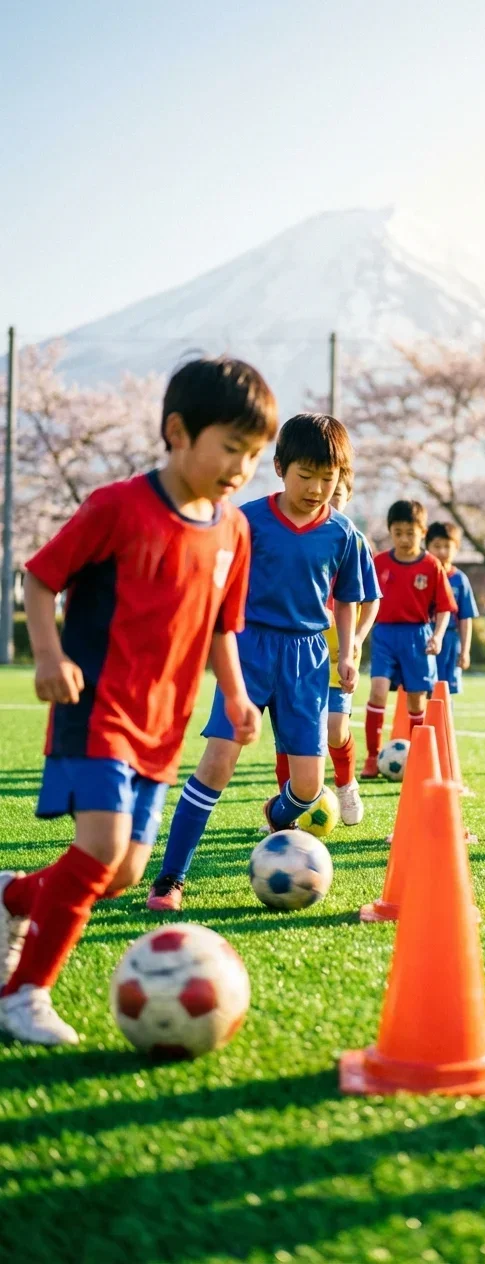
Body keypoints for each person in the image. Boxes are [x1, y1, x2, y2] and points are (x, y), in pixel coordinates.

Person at [0, 357, 277, 1045]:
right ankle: (23, 994)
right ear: (177, 433)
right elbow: (39, 578)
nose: (242, 468)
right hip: (98, 708)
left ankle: (12, 897)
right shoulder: (116, 507)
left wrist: (238, 697)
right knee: (101, 849)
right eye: (232, 449)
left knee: (118, 873)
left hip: (164, 725)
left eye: (255, 456)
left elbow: (223, 627)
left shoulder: (233, 532)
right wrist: (47, 655)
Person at [146, 412, 365, 911]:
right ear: (280, 468)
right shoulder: (247, 521)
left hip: (309, 658)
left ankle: (277, 812)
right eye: (305, 476)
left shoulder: (344, 534)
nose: (315, 489)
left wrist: (347, 649)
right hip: (250, 650)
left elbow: (349, 598)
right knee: (218, 762)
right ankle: (170, 878)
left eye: (327, 479)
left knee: (308, 788)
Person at [273, 471, 380, 825]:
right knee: (289, 736)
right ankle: (285, 809)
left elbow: (371, 599)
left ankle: (346, 784)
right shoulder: (294, 536)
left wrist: (357, 639)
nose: (325, 500)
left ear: (345, 497)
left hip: (338, 656)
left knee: (335, 728)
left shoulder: (351, 539)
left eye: (336, 496)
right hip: (298, 654)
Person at [362, 500, 455, 778]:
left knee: (416, 703)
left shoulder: (431, 566)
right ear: (390, 531)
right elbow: (363, 600)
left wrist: (437, 636)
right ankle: (370, 757)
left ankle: (418, 758)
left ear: (422, 532)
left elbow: (444, 608)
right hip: (385, 635)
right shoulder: (378, 564)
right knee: (377, 691)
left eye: (410, 533)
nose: (404, 539)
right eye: (398, 532)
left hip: (418, 637)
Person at [425, 521, 478, 695]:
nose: (441, 551)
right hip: (423, 636)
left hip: (449, 640)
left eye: (447, 546)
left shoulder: (460, 580)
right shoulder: (421, 575)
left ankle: (445, 722)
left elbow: (465, 618)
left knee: (445, 689)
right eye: (437, 546)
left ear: (456, 548)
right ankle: (420, 721)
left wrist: (465, 650)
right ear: (427, 547)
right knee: (421, 686)